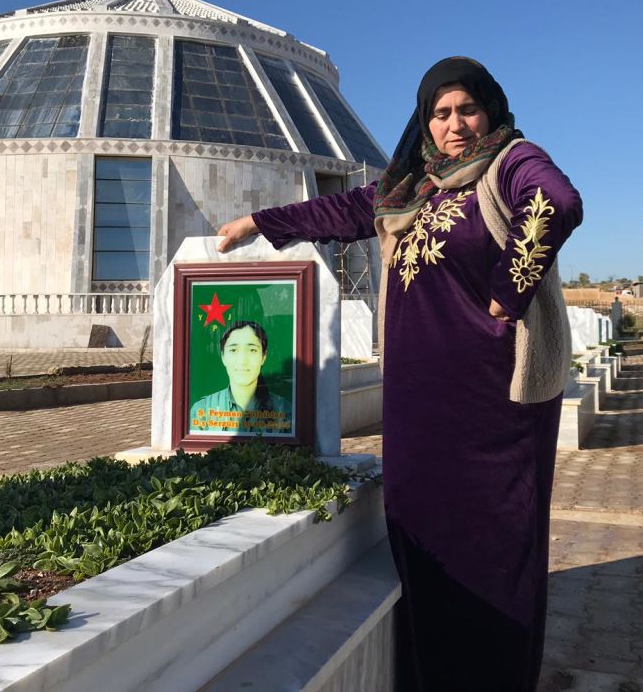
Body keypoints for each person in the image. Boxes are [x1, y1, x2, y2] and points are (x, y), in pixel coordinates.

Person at [217, 57, 583, 692]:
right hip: (417, 407)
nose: (455, 124)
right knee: (422, 539)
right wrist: (259, 223)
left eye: (467, 109)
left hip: (491, 407)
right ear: (424, 122)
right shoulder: (410, 188)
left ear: (489, 111)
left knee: (494, 547)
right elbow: (343, 212)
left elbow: (557, 201)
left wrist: (509, 288)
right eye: (440, 114)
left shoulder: (512, 161)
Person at [189, 320, 291, 433]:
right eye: (233, 350)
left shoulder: (284, 410)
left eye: (252, 350)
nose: (242, 360)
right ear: (223, 357)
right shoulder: (203, 409)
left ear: (263, 357)